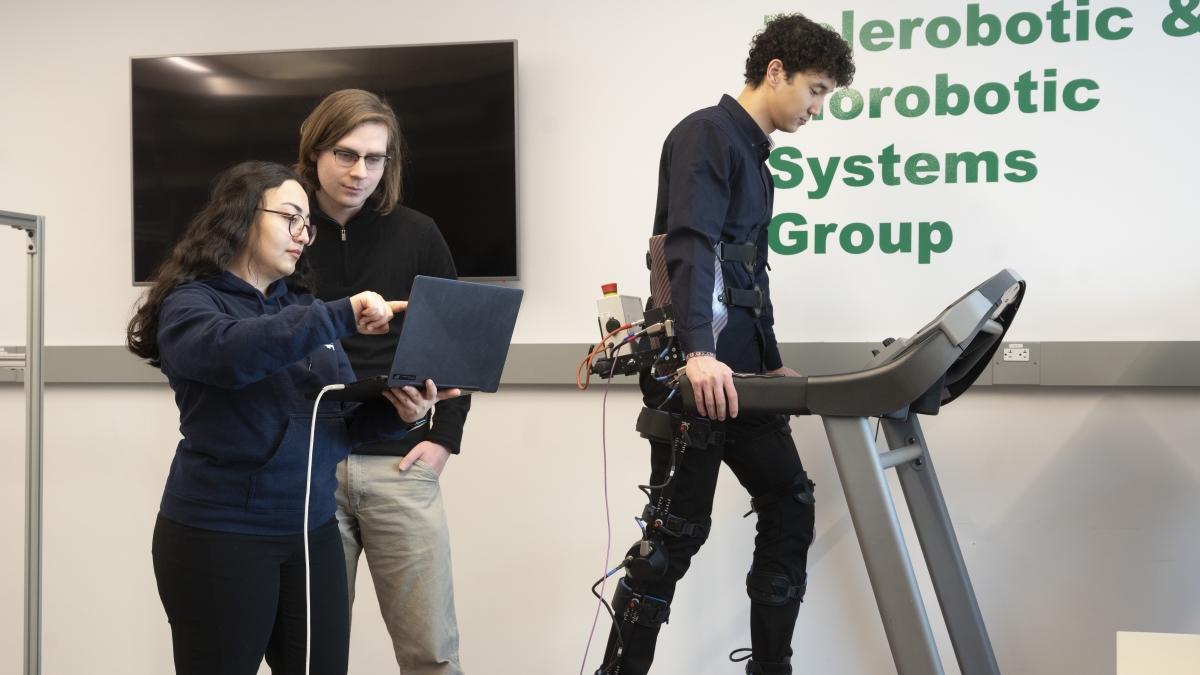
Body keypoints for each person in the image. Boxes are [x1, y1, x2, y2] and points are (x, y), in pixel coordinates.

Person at [127, 160, 458, 675]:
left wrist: (402, 414)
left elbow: (339, 419)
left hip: (312, 531)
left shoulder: (301, 308)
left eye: (308, 223)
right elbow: (233, 355)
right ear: (240, 217)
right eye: (290, 217)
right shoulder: (191, 305)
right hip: (220, 534)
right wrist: (340, 313)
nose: (304, 234)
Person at [598, 15, 855, 675]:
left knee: (789, 500)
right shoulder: (707, 135)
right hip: (701, 369)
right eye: (816, 90)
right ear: (777, 71)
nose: (818, 109)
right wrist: (696, 350)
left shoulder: (754, 156)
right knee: (671, 541)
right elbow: (689, 244)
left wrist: (768, 362)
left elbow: (746, 273)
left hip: (739, 370)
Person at [295, 89, 471, 675]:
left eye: (376, 158)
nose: (360, 171)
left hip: (400, 463)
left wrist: (443, 438)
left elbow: (458, 347)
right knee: (311, 652)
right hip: (309, 465)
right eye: (346, 154)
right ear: (315, 150)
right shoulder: (284, 233)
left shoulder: (418, 232)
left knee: (430, 653)